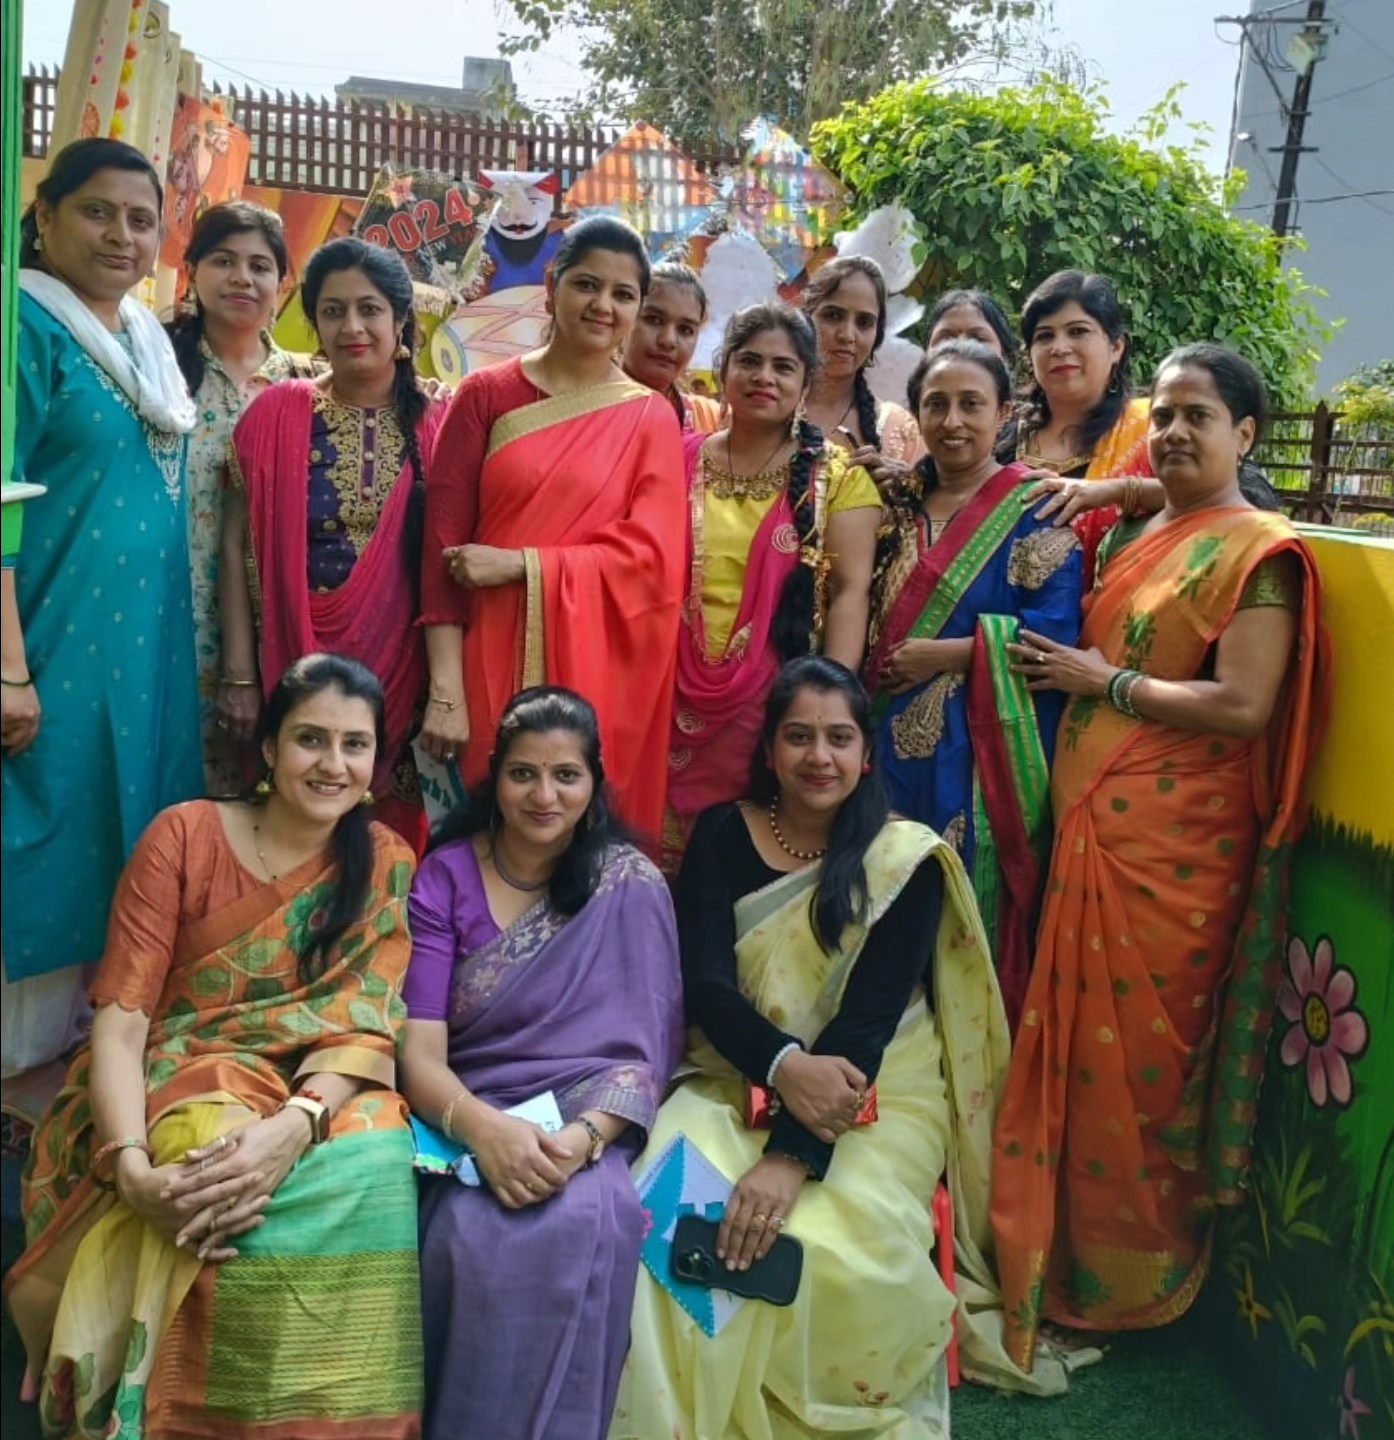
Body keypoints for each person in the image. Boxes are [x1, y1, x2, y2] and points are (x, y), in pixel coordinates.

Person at [613, 658, 1064, 1440]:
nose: (818, 756)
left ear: (865, 752)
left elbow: (867, 1026)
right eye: (798, 736)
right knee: (661, 1205)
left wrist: (791, 1159)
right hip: (735, 1075)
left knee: (826, 1244)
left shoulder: (903, 861)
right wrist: (785, 1069)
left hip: (880, 1092)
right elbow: (708, 986)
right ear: (769, 750)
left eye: (838, 738)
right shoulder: (723, 833)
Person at [993, 345, 1330, 1371]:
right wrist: (1119, 487)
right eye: (1166, 414)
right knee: (1073, 1055)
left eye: (1200, 416)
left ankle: (1128, 1282)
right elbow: (1163, 493)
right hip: (1092, 832)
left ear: (1246, 433)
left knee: (1136, 1072)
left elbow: (1243, 705)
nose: (1176, 431)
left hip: (1175, 858)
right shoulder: (1149, 524)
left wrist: (1101, 683)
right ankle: (1049, 1260)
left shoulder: (1261, 553)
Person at [4, 654, 424, 1439]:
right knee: (210, 1158)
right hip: (174, 1066)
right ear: (268, 748)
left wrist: (296, 1124)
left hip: (318, 1085)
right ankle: (168, 1414)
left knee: (375, 1161)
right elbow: (123, 1022)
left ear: (375, 762)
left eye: (355, 745)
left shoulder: (384, 863)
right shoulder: (185, 835)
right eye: (310, 738)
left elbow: (363, 1024)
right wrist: (130, 1167)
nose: (332, 764)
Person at [400, 687, 683, 1440]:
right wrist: (485, 1133)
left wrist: (579, 1142)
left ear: (594, 784)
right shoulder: (444, 877)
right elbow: (419, 1052)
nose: (544, 796)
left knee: (592, 1218)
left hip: (582, 1127)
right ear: (495, 777)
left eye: (566, 775)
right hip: (464, 1117)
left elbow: (642, 1053)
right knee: (466, 1235)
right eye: (523, 773)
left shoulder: (628, 884)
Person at [1, 138, 201, 1075]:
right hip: (48, 638)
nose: (122, 235)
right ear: (44, 218)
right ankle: (20, 1071)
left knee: (131, 828)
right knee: (43, 828)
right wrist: (9, 667)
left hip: (142, 651)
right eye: (96, 211)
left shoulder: (146, 342)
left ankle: (90, 1064)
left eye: (140, 219)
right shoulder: (23, 324)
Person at [419, 216, 686, 846]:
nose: (603, 306)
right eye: (587, 285)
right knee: (487, 835)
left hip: (598, 670)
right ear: (551, 285)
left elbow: (653, 562)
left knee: (576, 836)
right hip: (486, 656)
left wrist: (521, 564)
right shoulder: (486, 395)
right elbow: (440, 551)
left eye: (623, 294)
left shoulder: (650, 418)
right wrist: (446, 692)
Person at [867, 342, 1083, 1026]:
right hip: (880, 741)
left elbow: (1052, 637)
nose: (953, 421)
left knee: (965, 903)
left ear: (1005, 414)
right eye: (936, 404)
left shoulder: (1037, 507)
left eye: (971, 404)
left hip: (984, 758)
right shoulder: (892, 502)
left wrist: (943, 655)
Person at [221, 237, 447, 848]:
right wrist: (238, 677)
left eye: (369, 309)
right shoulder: (275, 413)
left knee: (384, 839)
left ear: (401, 320)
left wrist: (446, 691)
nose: (351, 327)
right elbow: (236, 549)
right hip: (290, 661)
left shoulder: (441, 424)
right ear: (314, 322)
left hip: (406, 677)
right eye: (332, 310)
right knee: (286, 825)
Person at [664, 303, 882, 872]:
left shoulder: (839, 479)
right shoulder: (673, 460)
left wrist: (824, 707)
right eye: (750, 361)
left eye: (784, 367)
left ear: (807, 383)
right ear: (724, 369)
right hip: (663, 696)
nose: (764, 377)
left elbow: (850, 593)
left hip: (772, 707)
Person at [166, 200, 319, 793]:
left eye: (259, 266)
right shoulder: (156, 369)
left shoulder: (305, 387)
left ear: (283, 284)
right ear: (192, 271)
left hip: (266, 619)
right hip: (165, 609)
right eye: (223, 261)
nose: (241, 279)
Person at [1014, 269, 1153, 483]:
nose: (1059, 348)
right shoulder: (997, 435)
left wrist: (1125, 491)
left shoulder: (1152, 430)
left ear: (1116, 347)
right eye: (1045, 336)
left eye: (1078, 331)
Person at [800, 255, 922, 481]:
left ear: (877, 335)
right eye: (833, 316)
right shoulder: (766, 406)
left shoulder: (900, 428)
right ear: (806, 319)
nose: (847, 335)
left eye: (864, 322)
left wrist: (905, 487)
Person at [621, 260, 724, 433]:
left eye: (685, 330)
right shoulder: (587, 408)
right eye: (654, 320)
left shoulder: (711, 421)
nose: (668, 340)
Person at [925, 288, 1021, 463]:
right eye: (946, 338)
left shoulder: (1032, 441)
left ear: (1006, 356)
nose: (961, 347)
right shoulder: (906, 432)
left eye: (978, 338)